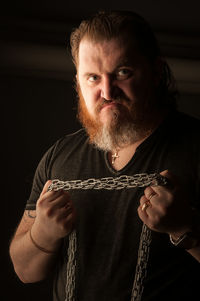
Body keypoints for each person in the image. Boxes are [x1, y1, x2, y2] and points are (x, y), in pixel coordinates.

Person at [9, 10, 200, 301]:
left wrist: (185, 228)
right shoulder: (59, 157)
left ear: (156, 72)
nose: (107, 91)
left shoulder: (194, 147)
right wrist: (41, 235)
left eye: (123, 72)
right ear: (78, 82)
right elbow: (25, 271)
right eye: (93, 78)